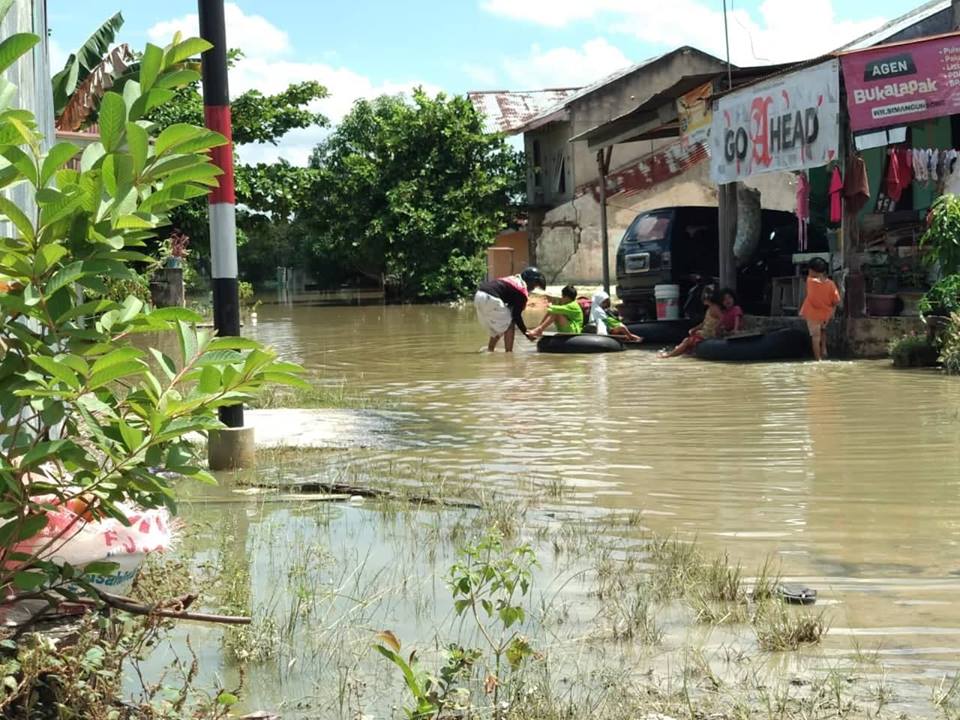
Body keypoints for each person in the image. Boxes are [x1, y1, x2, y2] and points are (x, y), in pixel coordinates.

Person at [474, 267, 547, 352]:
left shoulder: (514, 280)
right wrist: (526, 332)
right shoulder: (521, 291)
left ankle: (490, 350)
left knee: (500, 326)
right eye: (534, 285)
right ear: (529, 281)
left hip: (479, 296)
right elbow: (516, 316)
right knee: (510, 323)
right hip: (491, 299)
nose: (532, 289)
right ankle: (509, 353)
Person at [659, 287, 723, 358]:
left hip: (709, 334)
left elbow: (722, 318)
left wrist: (718, 327)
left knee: (687, 341)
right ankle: (678, 352)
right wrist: (694, 328)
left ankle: (669, 355)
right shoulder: (709, 308)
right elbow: (704, 323)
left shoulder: (715, 308)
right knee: (686, 339)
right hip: (705, 333)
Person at [799, 257, 841, 361]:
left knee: (815, 337)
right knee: (823, 330)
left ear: (813, 270)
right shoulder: (831, 284)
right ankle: (824, 349)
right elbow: (836, 301)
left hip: (812, 314)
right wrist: (832, 313)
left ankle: (818, 359)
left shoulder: (810, 281)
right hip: (825, 314)